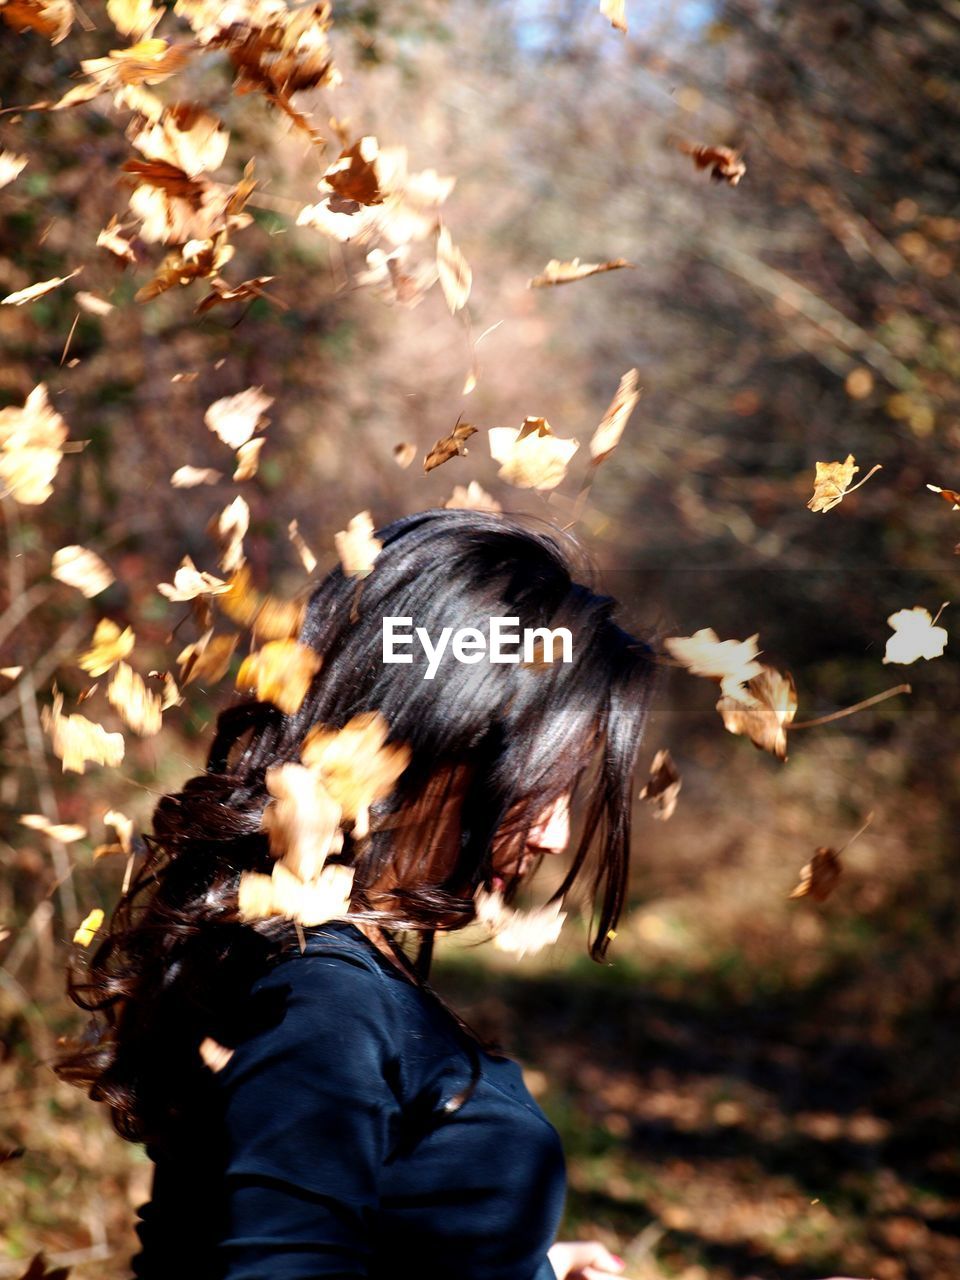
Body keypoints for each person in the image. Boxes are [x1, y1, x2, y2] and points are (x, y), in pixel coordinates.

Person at [52, 508, 863, 1280]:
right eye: (548, 787)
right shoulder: (323, 1002)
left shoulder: (315, 971)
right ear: (451, 737)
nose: (553, 835)